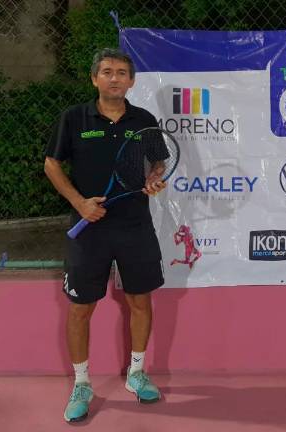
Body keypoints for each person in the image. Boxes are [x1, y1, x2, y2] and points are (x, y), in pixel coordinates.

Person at [44, 48, 167, 423]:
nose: (115, 78)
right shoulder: (74, 118)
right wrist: (80, 203)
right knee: (80, 309)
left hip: (134, 225)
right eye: (107, 72)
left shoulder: (144, 120)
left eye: (122, 73)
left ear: (131, 81)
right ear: (94, 78)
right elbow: (52, 164)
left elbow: (158, 161)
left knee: (140, 301)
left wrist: (154, 177)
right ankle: (82, 384)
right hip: (89, 230)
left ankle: (136, 373)